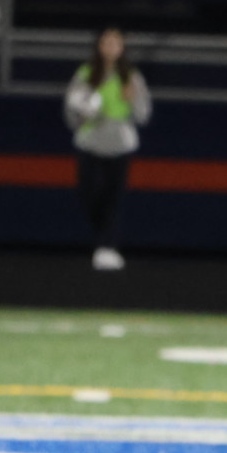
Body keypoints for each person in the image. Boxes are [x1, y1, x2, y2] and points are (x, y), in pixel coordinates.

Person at [64, 27, 151, 272]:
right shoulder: (85, 74)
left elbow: (143, 115)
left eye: (116, 42)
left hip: (120, 144)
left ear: (122, 47)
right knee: (89, 192)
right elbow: (71, 110)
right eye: (106, 42)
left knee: (114, 197)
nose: (111, 47)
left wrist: (131, 99)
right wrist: (85, 112)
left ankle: (107, 246)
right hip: (90, 141)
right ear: (99, 46)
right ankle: (103, 239)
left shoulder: (131, 77)